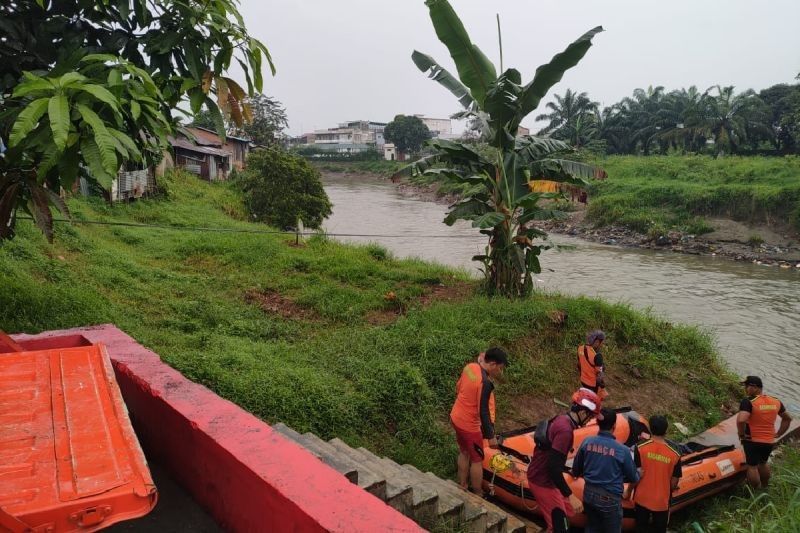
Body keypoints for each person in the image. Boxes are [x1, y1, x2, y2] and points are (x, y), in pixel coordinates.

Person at [526, 388, 603, 533]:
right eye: (590, 416)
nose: (589, 421)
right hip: (542, 481)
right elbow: (554, 468)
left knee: (562, 521)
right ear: (582, 412)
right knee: (559, 527)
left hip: (542, 476)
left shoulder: (561, 419)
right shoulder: (565, 431)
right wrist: (570, 496)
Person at [450, 347, 508, 495]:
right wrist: (491, 436)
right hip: (469, 426)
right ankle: (477, 493)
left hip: (456, 417)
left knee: (464, 452)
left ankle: (462, 485)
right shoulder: (485, 383)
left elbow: (458, 387)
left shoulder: (470, 367)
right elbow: (483, 411)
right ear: (493, 364)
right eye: (500, 368)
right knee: (477, 459)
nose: (499, 372)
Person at [572, 407, 639, 533]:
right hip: (609, 500)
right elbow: (633, 477)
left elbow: (576, 469)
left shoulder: (587, 442)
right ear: (614, 426)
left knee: (592, 527)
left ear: (597, 423)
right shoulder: (622, 450)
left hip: (588, 494)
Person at [736, 376, 792, 488]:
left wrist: (742, 435)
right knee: (763, 463)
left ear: (754, 387)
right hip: (768, 441)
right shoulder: (775, 401)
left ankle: (755, 491)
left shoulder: (748, 402)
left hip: (752, 440)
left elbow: (741, 419)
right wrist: (779, 434)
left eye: (747, 386)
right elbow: (787, 418)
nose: (745, 388)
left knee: (752, 466)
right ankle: (765, 486)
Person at [630, 415, 682, 533]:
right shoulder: (675, 454)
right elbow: (674, 483)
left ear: (650, 429)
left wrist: (628, 492)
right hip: (661, 501)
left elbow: (635, 474)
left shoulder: (640, 447)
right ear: (666, 431)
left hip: (641, 497)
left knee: (640, 528)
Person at [578, 330, 607, 397]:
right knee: (592, 401)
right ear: (597, 342)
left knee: (586, 398)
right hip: (592, 384)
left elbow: (579, 365)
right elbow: (599, 375)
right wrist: (602, 385)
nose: (602, 345)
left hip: (583, 380)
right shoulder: (597, 356)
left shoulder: (580, 348)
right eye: (602, 342)